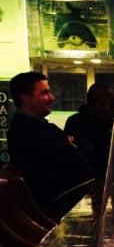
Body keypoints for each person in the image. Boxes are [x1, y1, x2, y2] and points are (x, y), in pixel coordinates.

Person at [7, 71, 96, 218]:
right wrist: (71, 147)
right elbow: (79, 166)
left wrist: (70, 146)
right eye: (45, 93)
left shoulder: (25, 127)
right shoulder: (33, 131)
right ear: (26, 98)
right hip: (60, 212)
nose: (52, 98)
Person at [64, 83, 114, 176]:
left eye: (111, 105)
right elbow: (69, 158)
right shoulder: (75, 122)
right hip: (84, 181)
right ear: (91, 104)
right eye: (102, 104)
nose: (107, 109)